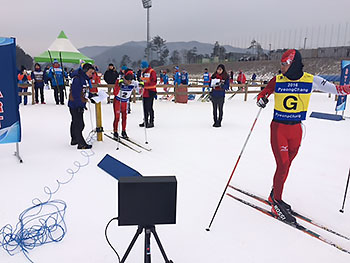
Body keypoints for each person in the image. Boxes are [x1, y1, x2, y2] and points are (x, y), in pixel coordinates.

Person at [256, 49, 350, 224]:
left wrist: (348, 89)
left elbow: (336, 89)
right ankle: (276, 202)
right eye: (281, 64)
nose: (282, 67)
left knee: (287, 164)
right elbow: (263, 93)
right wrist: (261, 99)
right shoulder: (278, 80)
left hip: (297, 130)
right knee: (282, 164)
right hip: (279, 129)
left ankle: (275, 194)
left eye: (285, 64)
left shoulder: (310, 79)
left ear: (293, 64)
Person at [68, 63, 95, 150]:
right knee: (79, 124)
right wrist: (79, 105)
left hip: (79, 104)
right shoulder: (78, 79)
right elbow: (76, 94)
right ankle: (81, 143)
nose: (92, 74)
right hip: (75, 105)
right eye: (90, 72)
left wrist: (92, 95)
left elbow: (84, 91)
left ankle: (74, 139)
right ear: (85, 71)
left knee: (75, 122)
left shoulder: (84, 79)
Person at [113, 69, 139, 139]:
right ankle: (115, 132)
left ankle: (123, 131)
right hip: (118, 101)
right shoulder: (119, 81)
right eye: (128, 80)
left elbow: (140, 92)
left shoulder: (133, 83)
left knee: (124, 117)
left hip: (125, 102)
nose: (129, 82)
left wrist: (141, 86)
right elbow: (115, 93)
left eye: (130, 80)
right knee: (117, 117)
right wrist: (118, 86)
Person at [139, 61, 157, 128]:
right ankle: (145, 121)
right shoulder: (143, 73)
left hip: (151, 91)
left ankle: (151, 122)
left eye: (142, 68)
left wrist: (144, 84)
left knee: (149, 107)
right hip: (144, 92)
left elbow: (153, 82)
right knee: (144, 108)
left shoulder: (152, 72)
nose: (142, 69)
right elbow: (142, 80)